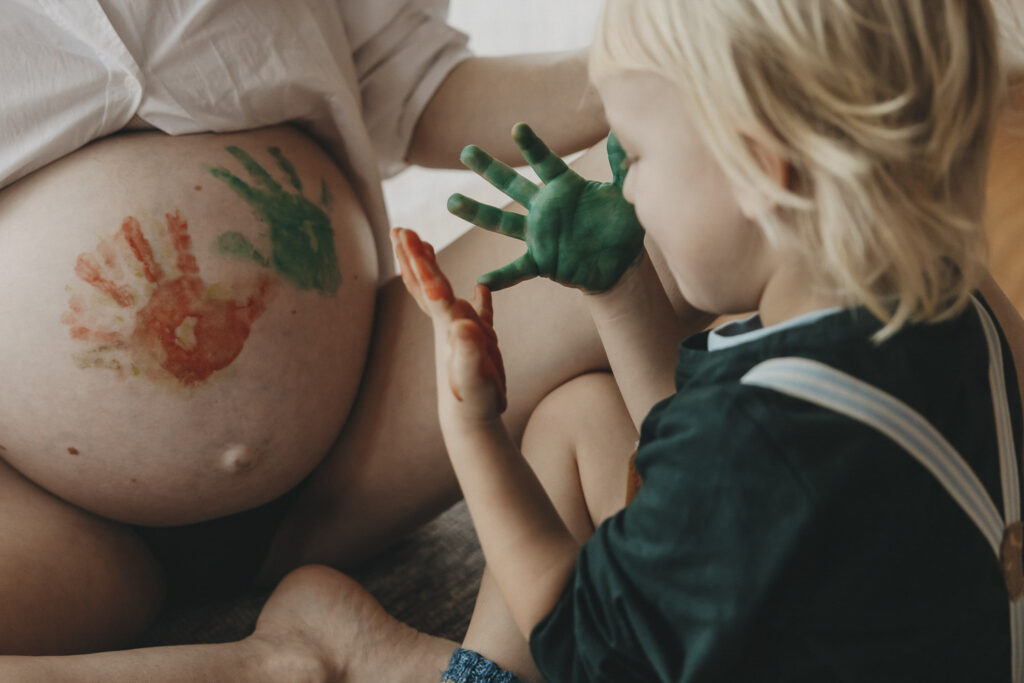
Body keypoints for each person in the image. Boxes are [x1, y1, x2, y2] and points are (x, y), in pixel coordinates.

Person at [2, 1, 1022, 682]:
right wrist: (622, 274)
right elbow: (693, 449)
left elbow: (568, 615)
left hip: (362, 426)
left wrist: (473, 430)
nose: (623, 174)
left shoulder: (753, 453)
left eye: (635, 150)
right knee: (594, 406)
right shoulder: (930, 330)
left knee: (589, 423)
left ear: (767, 166)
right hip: (59, 510)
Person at [0, 0, 629, 656]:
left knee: (677, 168)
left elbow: (413, 85)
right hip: (57, 523)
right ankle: (275, 664)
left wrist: (650, 68)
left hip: (371, 424)